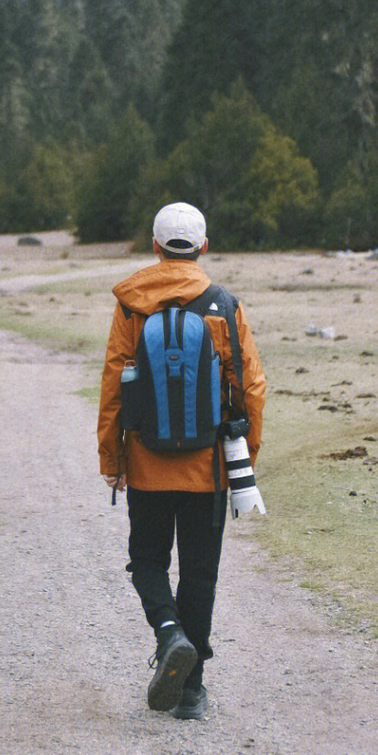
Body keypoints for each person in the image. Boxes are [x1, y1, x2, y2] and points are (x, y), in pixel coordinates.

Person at [97, 201, 266, 720]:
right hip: (206, 469)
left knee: (146, 562)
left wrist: (112, 459)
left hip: (147, 465)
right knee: (200, 574)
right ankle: (192, 691)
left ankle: (168, 632)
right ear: (203, 248)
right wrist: (244, 460)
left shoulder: (131, 305)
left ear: (154, 246)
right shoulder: (224, 305)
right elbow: (252, 389)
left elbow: (113, 388)